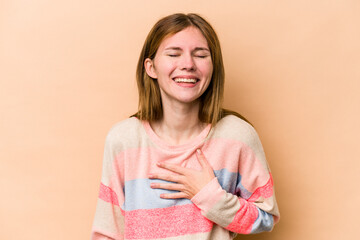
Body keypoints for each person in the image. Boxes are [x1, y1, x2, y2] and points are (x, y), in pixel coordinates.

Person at [91, 13, 280, 240]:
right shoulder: (123, 140)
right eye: (173, 54)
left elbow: (266, 216)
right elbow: (107, 232)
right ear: (151, 68)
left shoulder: (237, 136)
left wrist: (210, 196)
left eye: (200, 55)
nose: (188, 64)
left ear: (213, 68)